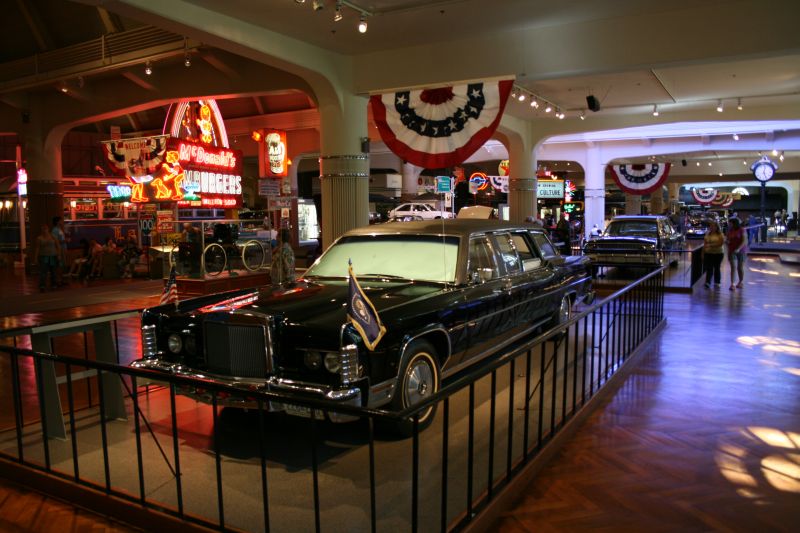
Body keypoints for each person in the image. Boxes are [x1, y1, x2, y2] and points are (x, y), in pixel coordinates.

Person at [34, 223, 60, 292]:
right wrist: (36, 258)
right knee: (43, 272)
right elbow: (37, 248)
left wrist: (59, 255)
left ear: (48, 229)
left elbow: (58, 246)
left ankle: (54, 284)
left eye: (45, 228)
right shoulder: (39, 238)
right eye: (43, 228)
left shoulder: (53, 237)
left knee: (53, 271)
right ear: (41, 230)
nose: (44, 230)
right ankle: (42, 285)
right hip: (43, 256)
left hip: (53, 256)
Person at [726, 217, 746, 290]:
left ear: (734, 223)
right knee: (733, 267)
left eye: (730, 223)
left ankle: (741, 281)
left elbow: (744, 241)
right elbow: (728, 239)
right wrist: (727, 242)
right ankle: (732, 284)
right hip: (732, 250)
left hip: (741, 250)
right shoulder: (729, 230)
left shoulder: (741, 230)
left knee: (740, 267)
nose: (729, 224)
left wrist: (738, 248)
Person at [702, 220, 724, 289]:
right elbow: (705, 244)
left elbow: (720, 243)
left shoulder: (720, 234)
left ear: (717, 227)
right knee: (709, 268)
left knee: (717, 267)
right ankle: (708, 282)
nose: (711, 227)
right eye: (710, 226)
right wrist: (703, 252)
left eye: (713, 226)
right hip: (708, 253)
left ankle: (717, 282)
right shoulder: (707, 234)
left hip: (718, 253)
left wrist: (710, 245)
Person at [51, 216, 68, 286]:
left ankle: (61, 280)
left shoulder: (59, 229)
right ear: (57, 222)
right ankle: (58, 280)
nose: (62, 222)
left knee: (63, 265)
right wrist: (65, 240)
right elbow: (55, 241)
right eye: (61, 221)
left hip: (63, 248)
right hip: (59, 249)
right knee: (59, 265)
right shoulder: (55, 230)